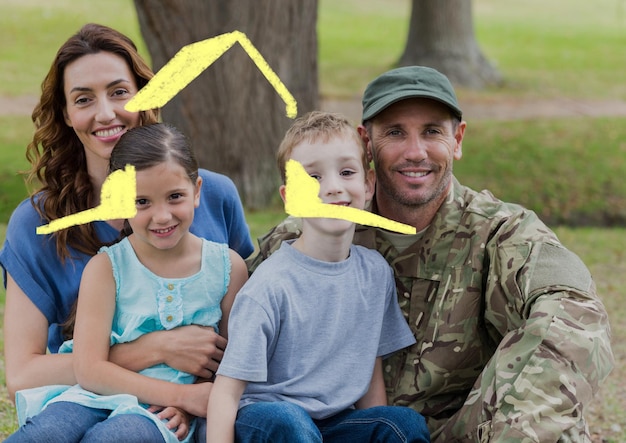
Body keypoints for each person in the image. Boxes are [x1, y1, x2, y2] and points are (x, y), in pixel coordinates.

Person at [248, 67, 615, 442]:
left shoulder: (501, 233)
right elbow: (225, 308)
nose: (415, 152)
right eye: (394, 132)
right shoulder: (311, 233)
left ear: (457, 139)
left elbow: (575, 320)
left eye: (432, 131)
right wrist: (183, 347)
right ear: (366, 143)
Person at [0, 23, 253, 440]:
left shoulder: (214, 196)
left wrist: (196, 401)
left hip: (173, 418)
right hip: (78, 400)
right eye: (84, 99)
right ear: (66, 114)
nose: (106, 113)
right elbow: (23, 375)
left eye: (119, 92)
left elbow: (241, 339)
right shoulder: (37, 224)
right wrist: (155, 350)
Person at [207, 111, 429, 443]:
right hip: (268, 420)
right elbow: (226, 391)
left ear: (367, 185)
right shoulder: (271, 285)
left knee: (402, 425)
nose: (333, 188)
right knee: (291, 424)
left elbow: (369, 373)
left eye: (347, 172)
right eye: (312, 178)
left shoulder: (374, 272)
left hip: (335, 424)